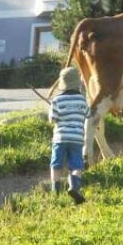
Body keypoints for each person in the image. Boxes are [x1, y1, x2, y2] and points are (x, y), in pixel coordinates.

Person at [49, 67, 89, 205]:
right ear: (77, 83)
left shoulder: (57, 100)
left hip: (60, 138)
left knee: (56, 165)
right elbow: (87, 115)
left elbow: (53, 119)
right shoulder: (82, 100)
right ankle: (74, 186)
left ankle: (56, 192)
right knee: (77, 165)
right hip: (77, 138)